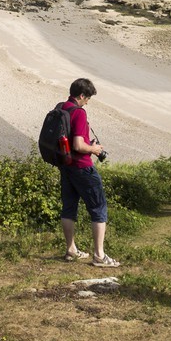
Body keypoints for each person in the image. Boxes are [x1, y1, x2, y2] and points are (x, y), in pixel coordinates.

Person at [59, 78, 119, 269]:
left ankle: (71, 250)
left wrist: (88, 145)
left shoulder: (62, 108)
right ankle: (99, 255)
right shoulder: (78, 112)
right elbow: (78, 145)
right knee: (98, 207)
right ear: (82, 95)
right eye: (87, 99)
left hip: (66, 166)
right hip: (82, 167)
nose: (87, 103)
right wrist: (94, 149)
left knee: (69, 207)